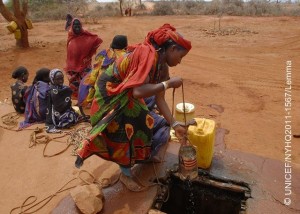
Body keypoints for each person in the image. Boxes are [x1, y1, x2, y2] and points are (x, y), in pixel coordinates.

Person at [75, 24, 192, 191]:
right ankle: (125, 174)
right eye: (181, 57)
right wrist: (168, 84)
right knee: (125, 129)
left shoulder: (162, 65)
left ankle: (143, 156)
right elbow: (137, 91)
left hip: (126, 93)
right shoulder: (147, 55)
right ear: (172, 49)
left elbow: (159, 98)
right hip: (110, 94)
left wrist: (175, 125)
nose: (180, 62)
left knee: (148, 121)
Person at [77, 35, 128, 109]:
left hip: (99, 88)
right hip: (115, 91)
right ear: (125, 46)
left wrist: (92, 84)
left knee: (89, 77)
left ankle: (90, 101)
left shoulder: (104, 53)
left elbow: (94, 72)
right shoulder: (126, 56)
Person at [65, 17, 103, 100]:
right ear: (72, 26)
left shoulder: (86, 36)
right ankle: (76, 100)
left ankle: (86, 100)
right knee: (74, 85)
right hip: (72, 66)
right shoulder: (70, 36)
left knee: (86, 83)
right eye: (74, 24)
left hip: (84, 66)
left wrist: (89, 55)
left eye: (78, 24)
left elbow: (97, 39)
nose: (77, 26)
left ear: (81, 25)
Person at [45, 69, 80, 133]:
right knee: (71, 116)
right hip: (57, 115)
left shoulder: (65, 89)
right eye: (58, 79)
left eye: (62, 78)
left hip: (65, 111)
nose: (61, 81)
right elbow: (59, 107)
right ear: (52, 79)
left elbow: (68, 104)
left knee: (76, 111)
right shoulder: (53, 91)